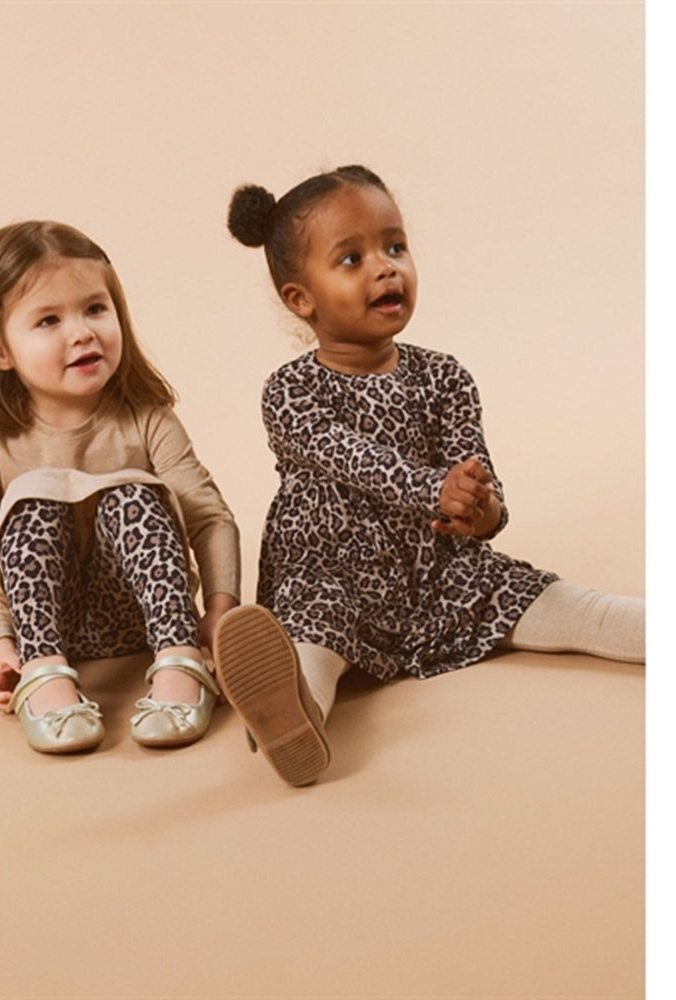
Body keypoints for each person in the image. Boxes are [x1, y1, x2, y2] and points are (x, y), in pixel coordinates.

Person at [214, 165, 644, 787]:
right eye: (352, 259)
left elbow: (476, 472)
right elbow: (354, 459)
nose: (386, 269)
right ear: (300, 299)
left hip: (437, 572)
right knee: (313, 636)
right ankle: (293, 714)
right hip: (334, 575)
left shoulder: (444, 376)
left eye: (395, 247)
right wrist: (433, 489)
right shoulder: (290, 390)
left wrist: (480, 509)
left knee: (567, 603)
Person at [0, 220, 239, 755]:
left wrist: (219, 611)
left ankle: (180, 661)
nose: (81, 333)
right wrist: (0, 645)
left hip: (147, 616)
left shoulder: (146, 417)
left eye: (95, 309)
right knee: (36, 499)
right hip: (47, 629)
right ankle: (45, 675)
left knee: (131, 494)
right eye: (49, 320)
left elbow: (208, 516)